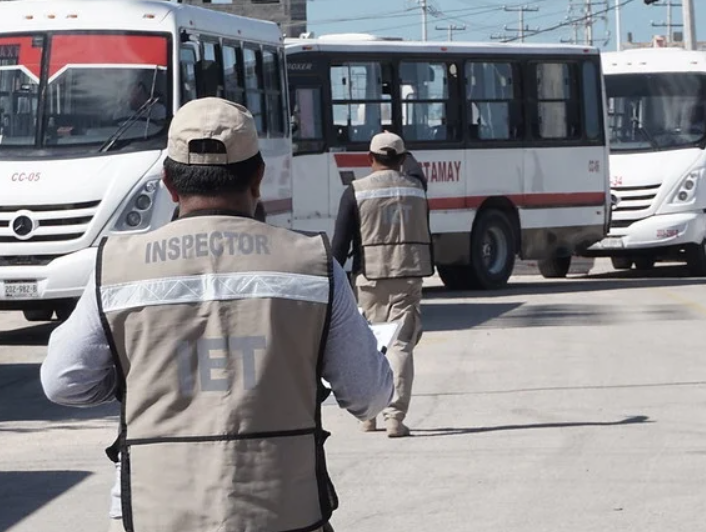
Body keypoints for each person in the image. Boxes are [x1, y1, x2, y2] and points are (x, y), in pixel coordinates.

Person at [41, 97, 394, 532]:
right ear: (258, 177)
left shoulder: (116, 265)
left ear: (169, 182)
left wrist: (133, 378)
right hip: (285, 512)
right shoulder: (315, 264)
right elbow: (370, 397)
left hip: (154, 511)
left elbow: (63, 382)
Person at [330, 131, 433, 438]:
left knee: (372, 345)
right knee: (400, 345)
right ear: (402, 159)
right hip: (407, 275)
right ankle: (395, 418)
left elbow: (339, 244)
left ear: (369, 158)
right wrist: (404, 156)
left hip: (369, 278)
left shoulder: (355, 192)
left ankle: (368, 415)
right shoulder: (416, 188)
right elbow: (415, 170)